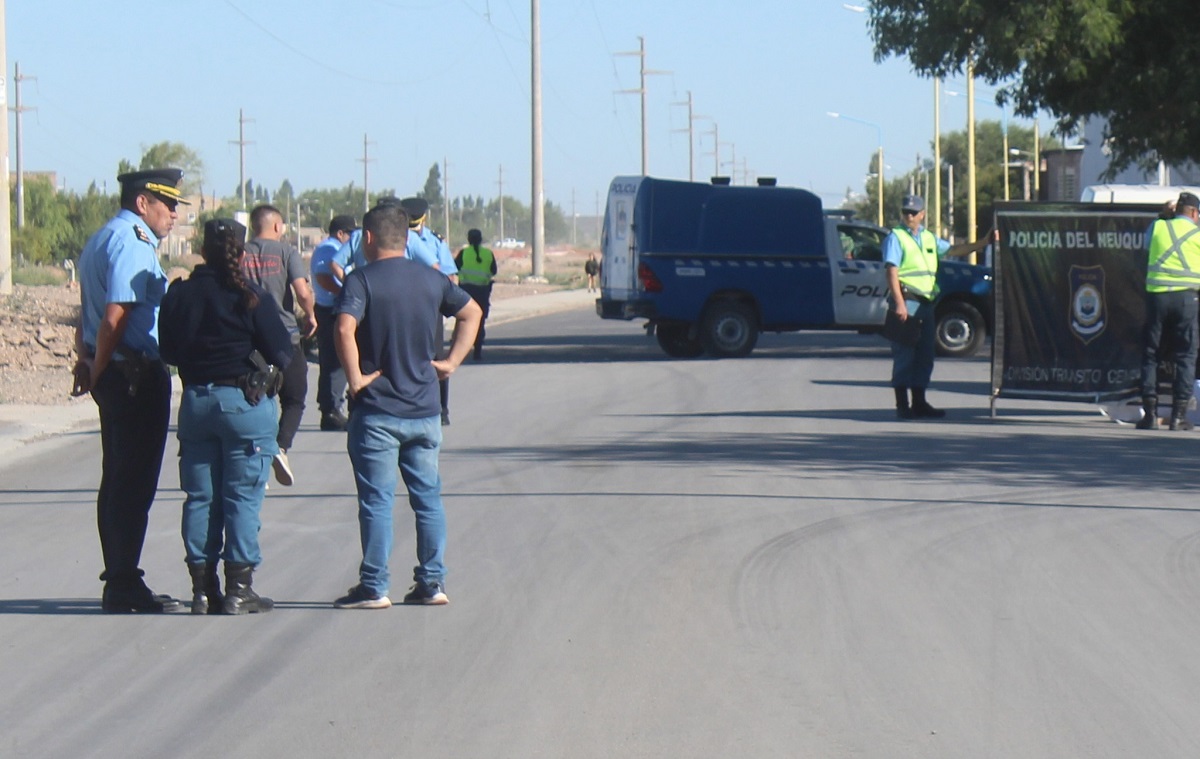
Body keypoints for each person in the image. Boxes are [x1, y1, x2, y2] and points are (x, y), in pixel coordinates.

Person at [333, 203, 481, 609]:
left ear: (367, 238)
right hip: (424, 410)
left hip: (378, 411)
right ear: (407, 238)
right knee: (428, 498)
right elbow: (472, 312)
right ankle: (432, 583)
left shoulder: (361, 281)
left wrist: (355, 379)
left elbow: (344, 327)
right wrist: (450, 362)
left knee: (378, 500)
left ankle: (374, 586)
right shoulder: (431, 280)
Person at [159, 219, 293, 614]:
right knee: (242, 498)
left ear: (202, 248)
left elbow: (167, 353)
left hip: (197, 404)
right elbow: (283, 353)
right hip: (244, 405)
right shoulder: (251, 296)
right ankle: (239, 588)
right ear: (243, 251)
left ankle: (203, 590)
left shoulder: (179, 296)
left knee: (200, 497)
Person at [71, 168, 188, 613]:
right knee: (133, 483)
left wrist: (87, 361)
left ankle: (120, 575)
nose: (174, 214)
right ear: (143, 203)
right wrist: (98, 368)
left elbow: (88, 311)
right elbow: (115, 317)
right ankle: (122, 581)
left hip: (117, 373)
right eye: (168, 204)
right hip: (133, 374)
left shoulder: (102, 237)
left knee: (117, 479)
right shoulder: (133, 243)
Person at [884, 194, 992, 419]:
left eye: (913, 213)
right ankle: (902, 405)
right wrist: (900, 304)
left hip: (926, 303)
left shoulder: (929, 238)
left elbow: (953, 251)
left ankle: (920, 401)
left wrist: (983, 243)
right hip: (908, 301)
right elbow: (892, 272)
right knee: (905, 354)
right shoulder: (896, 237)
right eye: (906, 212)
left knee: (925, 354)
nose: (909, 216)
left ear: (923, 214)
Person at [241, 204, 318, 485]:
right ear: (277, 226)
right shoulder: (287, 252)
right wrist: (310, 314)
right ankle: (280, 446)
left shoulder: (240, 252)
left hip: (248, 338)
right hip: (285, 335)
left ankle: (252, 451)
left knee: (253, 396)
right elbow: (301, 290)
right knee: (295, 397)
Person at [1137, 191, 1200, 430]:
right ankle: (1178, 416)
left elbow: (1144, 246)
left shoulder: (1158, 227)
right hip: (1186, 299)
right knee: (1185, 355)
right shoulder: (1197, 233)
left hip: (1157, 297)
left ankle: (1150, 415)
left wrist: (1162, 217)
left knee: (1151, 354)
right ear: (1194, 213)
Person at [400, 196, 459, 425]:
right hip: (403, 308)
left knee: (436, 357)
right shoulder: (396, 240)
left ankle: (441, 409)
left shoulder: (435, 242)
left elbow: (450, 277)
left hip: (429, 309)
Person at [310, 214, 357, 431]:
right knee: (335, 362)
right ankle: (331, 411)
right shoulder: (328, 249)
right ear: (340, 233)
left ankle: (330, 407)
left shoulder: (331, 247)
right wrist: (345, 291)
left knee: (334, 361)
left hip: (333, 307)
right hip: (330, 309)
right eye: (349, 233)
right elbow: (323, 277)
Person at [454, 228, 497, 360]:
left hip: (466, 292)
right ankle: (477, 350)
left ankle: (460, 350)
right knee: (480, 321)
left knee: (463, 320)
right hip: (483, 292)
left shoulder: (464, 253)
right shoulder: (488, 253)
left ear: (469, 239)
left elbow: (455, 267)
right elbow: (493, 271)